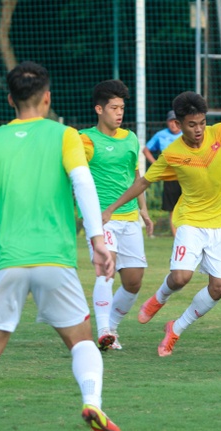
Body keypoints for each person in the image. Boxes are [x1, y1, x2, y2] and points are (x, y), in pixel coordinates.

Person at [0, 61, 122, 431]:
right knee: (81, 341)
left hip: (5, 261)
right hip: (54, 261)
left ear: (10, 99)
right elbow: (83, 184)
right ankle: (92, 403)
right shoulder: (64, 136)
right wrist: (98, 240)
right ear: (47, 98)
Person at [102, 78, 221, 357]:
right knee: (180, 277)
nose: (199, 130)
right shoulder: (172, 154)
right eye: (192, 125)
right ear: (178, 124)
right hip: (191, 221)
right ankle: (158, 299)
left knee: (219, 288)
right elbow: (143, 182)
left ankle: (176, 329)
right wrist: (111, 208)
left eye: (202, 123)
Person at [80, 80, 153, 351]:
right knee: (105, 271)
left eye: (122, 107)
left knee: (133, 281)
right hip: (101, 220)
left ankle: (112, 328)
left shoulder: (131, 138)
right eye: (113, 108)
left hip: (129, 218)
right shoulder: (85, 139)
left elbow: (136, 178)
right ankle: (102, 332)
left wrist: (144, 211)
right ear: (99, 109)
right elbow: (74, 177)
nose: (119, 113)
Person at [143, 110, 183, 236]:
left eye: (176, 121)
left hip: (186, 176)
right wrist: (156, 164)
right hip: (170, 177)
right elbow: (146, 150)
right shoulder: (161, 135)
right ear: (167, 122)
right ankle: (176, 236)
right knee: (172, 208)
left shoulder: (187, 134)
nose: (173, 124)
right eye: (171, 121)